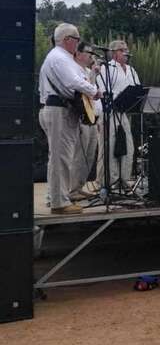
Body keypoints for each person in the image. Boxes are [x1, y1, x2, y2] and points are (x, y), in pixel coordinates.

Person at [38, 23, 101, 214]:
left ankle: (60, 197)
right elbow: (73, 82)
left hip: (62, 110)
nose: (78, 43)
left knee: (61, 157)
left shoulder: (62, 58)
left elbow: (76, 80)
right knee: (60, 158)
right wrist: (94, 91)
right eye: (77, 39)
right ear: (67, 40)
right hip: (58, 110)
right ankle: (59, 202)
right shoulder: (59, 57)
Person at [96, 40, 140, 187]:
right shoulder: (107, 68)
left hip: (125, 112)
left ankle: (124, 179)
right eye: (122, 50)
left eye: (126, 49)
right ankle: (111, 180)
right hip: (111, 111)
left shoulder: (131, 69)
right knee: (111, 146)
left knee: (128, 146)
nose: (126, 52)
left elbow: (137, 89)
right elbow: (102, 90)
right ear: (113, 53)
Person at [70, 42, 101, 201]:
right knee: (79, 156)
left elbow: (93, 94)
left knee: (89, 155)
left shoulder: (88, 71)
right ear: (79, 53)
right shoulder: (73, 69)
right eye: (89, 53)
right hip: (81, 117)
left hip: (92, 117)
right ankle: (72, 189)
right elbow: (84, 90)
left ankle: (79, 187)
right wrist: (93, 77)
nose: (92, 56)